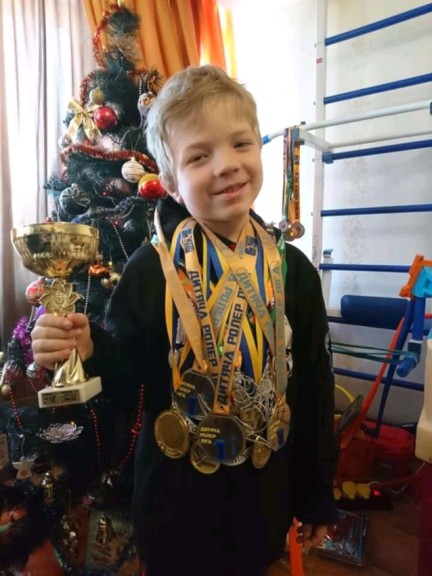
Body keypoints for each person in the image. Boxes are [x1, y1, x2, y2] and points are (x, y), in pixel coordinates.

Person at [31, 65, 339, 576]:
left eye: (241, 144)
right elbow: (128, 377)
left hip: (262, 496)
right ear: (170, 181)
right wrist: (87, 350)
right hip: (173, 502)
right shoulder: (150, 270)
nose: (227, 165)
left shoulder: (294, 271)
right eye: (200, 155)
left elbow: (312, 388)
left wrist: (316, 494)